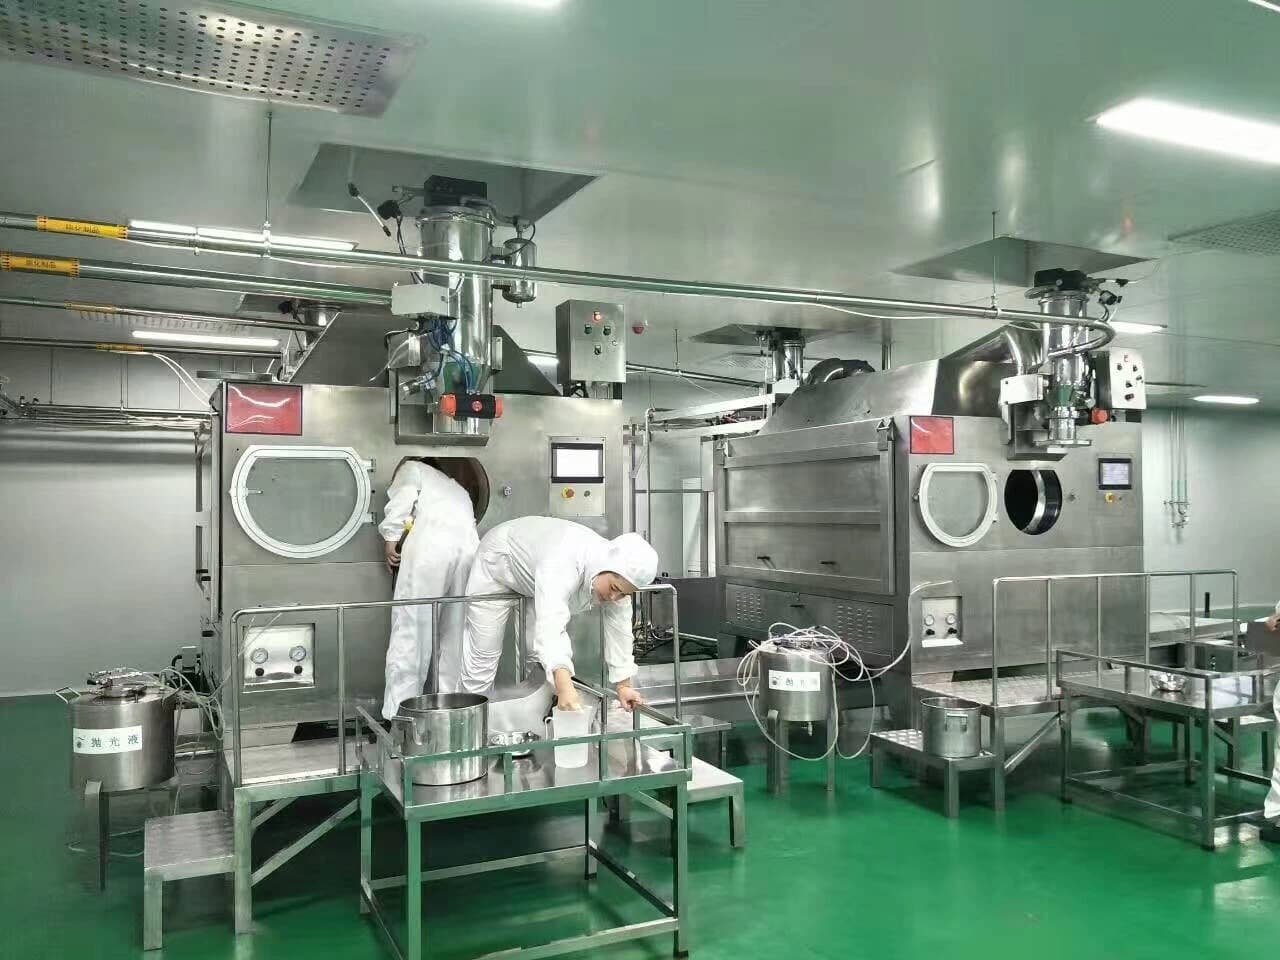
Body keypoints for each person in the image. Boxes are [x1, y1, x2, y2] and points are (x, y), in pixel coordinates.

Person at [454, 517, 658, 713]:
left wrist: (624, 685)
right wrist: (564, 687)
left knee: (537, 658)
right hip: (498, 562)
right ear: (606, 566)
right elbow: (551, 627)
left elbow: (619, 629)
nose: (614, 597)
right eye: (614, 588)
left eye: (623, 594)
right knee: (483, 657)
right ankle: (467, 724)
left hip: (533, 577)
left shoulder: (617, 579)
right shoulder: (563, 559)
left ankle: (528, 719)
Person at [379, 459, 479, 720]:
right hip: (468, 552)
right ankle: (451, 712)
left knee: (412, 630)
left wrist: (391, 538)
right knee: (455, 633)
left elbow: (403, 498)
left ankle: (400, 715)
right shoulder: (458, 488)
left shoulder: (412, 467)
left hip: (430, 550)